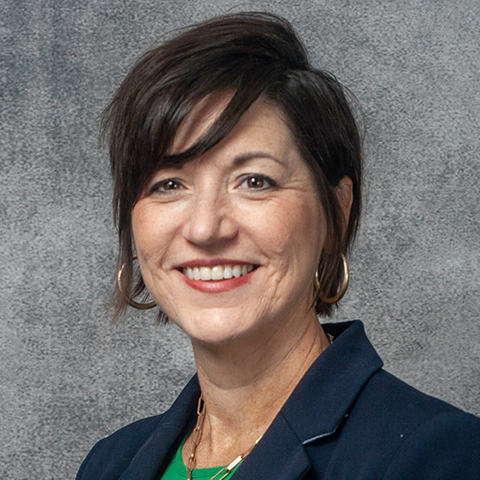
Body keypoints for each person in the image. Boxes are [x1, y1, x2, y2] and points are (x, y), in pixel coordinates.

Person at [76, 12, 480, 480]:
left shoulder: (437, 455)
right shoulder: (111, 462)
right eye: (168, 184)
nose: (206, 228)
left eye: (254, 181)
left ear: (336, 212)